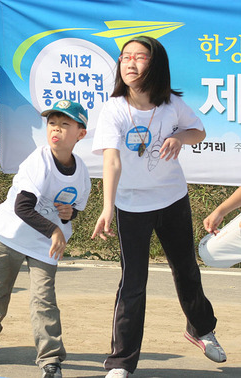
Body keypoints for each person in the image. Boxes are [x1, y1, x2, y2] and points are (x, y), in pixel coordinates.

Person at [90, 36, 226, 378]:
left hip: (173, 199)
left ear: (156, 65)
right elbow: (112, 161)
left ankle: (200, 328)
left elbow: (198, 130)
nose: (130, 63)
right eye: (125, 57)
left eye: (139, 57)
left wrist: (179, 137)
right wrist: (107, 206)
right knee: (133, 282)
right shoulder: (115, 108)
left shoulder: (171, 105)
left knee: (186, 270)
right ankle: (121, 363)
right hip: (131, 205)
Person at [0, 100, 90, 378]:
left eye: (65, 124)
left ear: (80, 133)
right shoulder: (39, 160)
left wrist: (69, 214)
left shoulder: (81, 170)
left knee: (44, 300)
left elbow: (76, 208)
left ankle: (50, 360)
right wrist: (55, 229)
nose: (56, 129)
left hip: (44, 245)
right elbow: (22, 207)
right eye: (52, 123)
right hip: (9, 236)